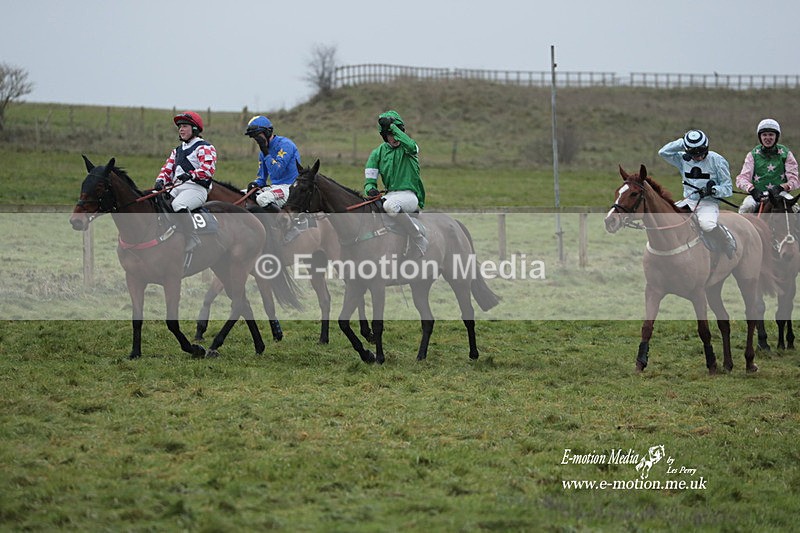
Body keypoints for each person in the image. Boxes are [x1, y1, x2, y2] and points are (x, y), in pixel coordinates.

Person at [658, 129, 736, 258]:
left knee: (707, 225)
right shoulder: (682, 159)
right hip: (688, 201)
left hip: (708, 203)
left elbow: (727, 188)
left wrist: (713, 190)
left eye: (701, 154)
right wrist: (683, 143)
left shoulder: (717, 160)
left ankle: (727, 239)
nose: (698, 157)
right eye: (694, 155)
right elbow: (663, 152)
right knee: (668, 218)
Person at [363, 110, 428, 259]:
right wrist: (370, 189)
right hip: (390, 195)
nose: (394, 137)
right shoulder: (377, 153)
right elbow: (369, 181)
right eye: (390, 135)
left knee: (389, 206)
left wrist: (393, 127)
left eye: (396, 133)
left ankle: (418, 238)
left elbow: (411, 145)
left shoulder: (409, 148)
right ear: (384, 137)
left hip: (409, 196)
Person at [154, 111, 216, 252]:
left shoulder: (205, 147)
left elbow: (208, 169)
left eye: (185, 126)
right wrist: (160, 180)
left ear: (194, 129)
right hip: (177, 187)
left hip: (196, 189)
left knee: (178, 204)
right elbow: (167, 169)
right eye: (179, 127)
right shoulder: (177, 151)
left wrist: (191, 175)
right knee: (156, 200)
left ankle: (192, 237)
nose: (181, 129)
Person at [735, 118, 800, 214]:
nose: (767, 138)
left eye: (771, 135)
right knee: (746, 207)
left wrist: (782, 187)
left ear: (776, 137)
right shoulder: (752, 155)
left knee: (795, 209)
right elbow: (741, 179)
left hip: (781, 194)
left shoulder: (786, 154)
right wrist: (752, 190)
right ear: (760, 137)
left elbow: (794, 180)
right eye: (764, 135)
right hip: (758, 195)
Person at [244, 115, 301, 213]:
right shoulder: (263, 152)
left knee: (262, 199)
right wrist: (254, 184)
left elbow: (277, 172)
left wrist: (266, 153)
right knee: (241, 194)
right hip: (275, 188)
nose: (257, 140)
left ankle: (283, 222)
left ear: (267, 132)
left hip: (290, 188)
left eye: (257, 136)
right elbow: (262, 178)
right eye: (254, 138)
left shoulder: (285, 145)